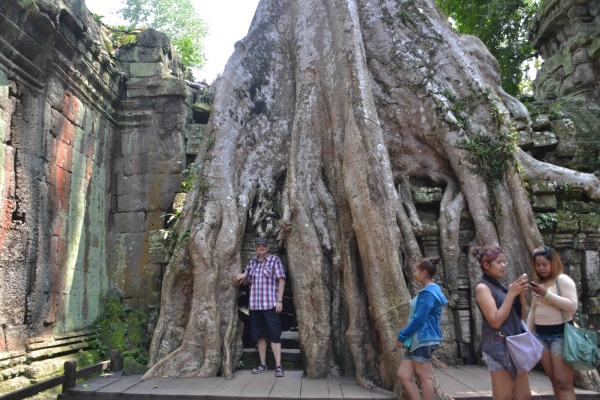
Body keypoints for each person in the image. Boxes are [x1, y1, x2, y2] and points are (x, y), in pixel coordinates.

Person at [473, 245, 531, 400]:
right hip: (498, 346)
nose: (504, 265)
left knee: (524, 396)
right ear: (486, 265)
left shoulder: (501, 287)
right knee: (503, 397)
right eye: (499, 262)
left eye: (504, 262)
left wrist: (521, 296)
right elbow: (495, 321)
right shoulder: (482, 288)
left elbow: (521, 317)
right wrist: (511, 294)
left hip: (514, 345)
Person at [527, 246, 577, 400]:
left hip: (561, 335)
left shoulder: (562, 280)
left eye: (545, 264)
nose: (541, 268)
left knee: (563, 382)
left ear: (553, 263)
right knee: (554, 381)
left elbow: (572, 306)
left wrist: (546, 294)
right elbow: (533, 310)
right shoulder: (538, 283)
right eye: (538, 265)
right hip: (541, 336)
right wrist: (528, 335)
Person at [233, 237, 286, 377]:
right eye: (258, 246)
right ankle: (263, 364)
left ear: (267, 248)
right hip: (255, 306)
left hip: (271, 304)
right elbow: (245, 282)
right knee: (259, 336)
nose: (261, 248)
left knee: (274, 334)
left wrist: (279, 300)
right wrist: (242, 276)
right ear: (256, 249)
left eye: (263, 246)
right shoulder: (252, 263)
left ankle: (278, 366)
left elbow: (281, 280)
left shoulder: (274, 260)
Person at [396, 257, 448, 400]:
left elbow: (419, 320)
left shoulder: (428, 293)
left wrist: (402, 335)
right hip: (417, 340)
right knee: (404, 374)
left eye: (416, 270)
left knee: (424, 377)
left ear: (424, 272)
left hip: (423, 338)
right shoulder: (432, 290)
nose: (414, 273)